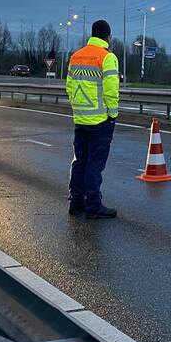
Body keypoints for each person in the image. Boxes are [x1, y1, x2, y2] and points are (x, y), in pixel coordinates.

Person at [66, 19, 120, 219]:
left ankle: (76, 202)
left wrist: (78, 107)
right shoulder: (107, 57)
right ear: (107, 36)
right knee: (94, 164)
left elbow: (69, 86)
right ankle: (94, 205)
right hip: (100, 121)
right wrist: (112, 115)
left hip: (80, 118)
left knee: (80, 161)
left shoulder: (76, 56)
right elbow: (111, 91)